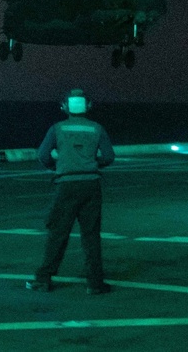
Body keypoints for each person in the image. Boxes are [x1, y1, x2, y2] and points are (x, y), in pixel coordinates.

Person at [26, 89, 115, 295]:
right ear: (88, 106)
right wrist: (92, 164)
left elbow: (43, 155)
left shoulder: (57, 128)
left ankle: (43, 279)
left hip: (66, 185)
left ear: (65, 107)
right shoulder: (97, 128)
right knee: (91, 235)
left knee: (58, 233)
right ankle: (94, 283)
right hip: (91, 184)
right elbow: (109, 157)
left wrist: (58, 167)